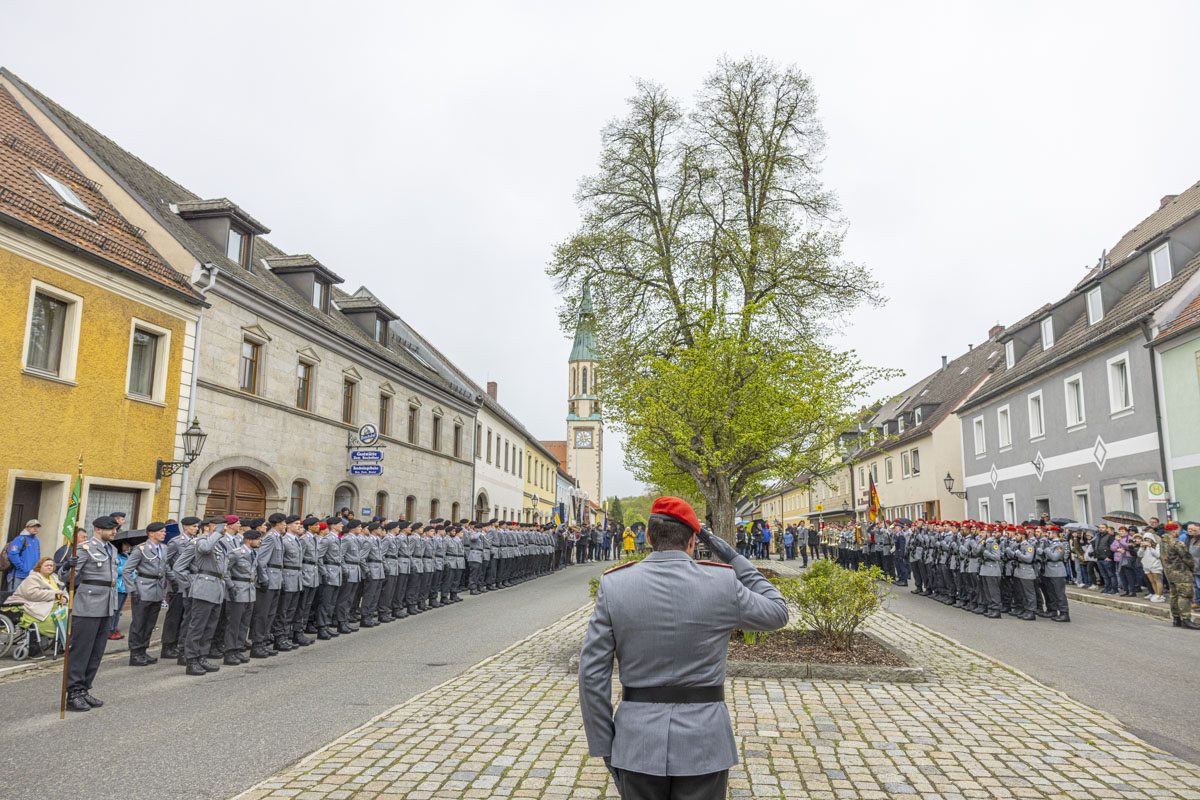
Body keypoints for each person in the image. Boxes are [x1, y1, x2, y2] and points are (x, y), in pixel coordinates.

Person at [579, 497, 788, 799]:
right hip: (705, 740)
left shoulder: (614, 585)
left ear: (648, 537)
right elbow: (778, 612)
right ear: (693, 540)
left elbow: (591, 675)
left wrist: (606, 746)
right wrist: (733, 557)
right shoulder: (722, 582)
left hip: (636, 740)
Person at [65, 516, 120, 712]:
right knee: (81, 651)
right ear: (98, 529)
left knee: (96, 652)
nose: (114, 532)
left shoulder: (111, 549)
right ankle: (73, 692)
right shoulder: (84, 548)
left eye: (115, 529)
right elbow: (66, 577)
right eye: (110, 529)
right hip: (88, 604)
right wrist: (67, 566)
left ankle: (84, 688)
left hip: (106, 604)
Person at [121, 523, 169, 666]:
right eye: (161, 531)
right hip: (143, 587)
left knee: (150, 623)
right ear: (151, 533)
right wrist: (132, 590)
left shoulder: (164, 548)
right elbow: (127, 570)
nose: (164, 534)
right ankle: (135, 653)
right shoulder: (141, 549)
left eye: (164, 531)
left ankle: (143, 650)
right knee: (139, 622)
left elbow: (166, 568)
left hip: (157, 589)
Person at [8, 556, 67, 659]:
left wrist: (65, 598)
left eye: (51, 565)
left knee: (70, 616)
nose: (50, 567)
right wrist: (54, 594)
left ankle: (66, 642)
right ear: (39, 567)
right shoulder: (33, 578)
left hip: (54, 606)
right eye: (47, 565)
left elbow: (64, 591)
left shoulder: (55, 577)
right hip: (31, 605)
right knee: (54, 621)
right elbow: (31, 594)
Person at [1161, 522, 1198, 629]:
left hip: (1169, 572)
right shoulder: (1177, 543)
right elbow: (1187, 558)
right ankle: (1186, 619)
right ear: (1174, 531)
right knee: (1185, 595)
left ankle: (1176, 618)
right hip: (1181, 572)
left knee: (1174, 595)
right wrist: (1192, 568)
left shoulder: (1163, 541)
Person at [6, 519, 42, 590]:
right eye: (32, 526)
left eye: (37, 527)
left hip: (31, 576)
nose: (35, 528)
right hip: (18, 576)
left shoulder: (36, 540)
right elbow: (12, 555)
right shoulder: (20, 539)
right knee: (14, 598)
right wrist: (22, 567)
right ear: (26, 528)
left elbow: (38, 556)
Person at [108, 542, 130, 640]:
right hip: (118, 586)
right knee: (114, 609)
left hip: (125, 586)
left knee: (118, 610)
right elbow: (114, 570)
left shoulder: (127, 556)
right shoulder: (115, 556)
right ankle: (110, 629)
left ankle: (114, 627)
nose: (128, 546)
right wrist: (126, 569)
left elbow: (131, 571)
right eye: (126, 544)